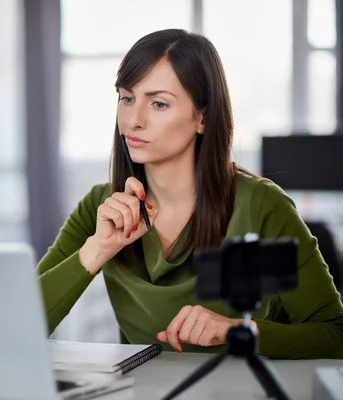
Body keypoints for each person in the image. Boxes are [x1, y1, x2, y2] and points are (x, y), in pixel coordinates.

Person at [37, 29, 343, 359]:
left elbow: (335, 334)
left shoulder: (261, 204)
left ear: (202, 117)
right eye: (127, 98)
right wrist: (97, 249)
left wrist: (238, 331)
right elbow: (22, 323)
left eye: (158, 103)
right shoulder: (100, 208)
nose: (133, 120)